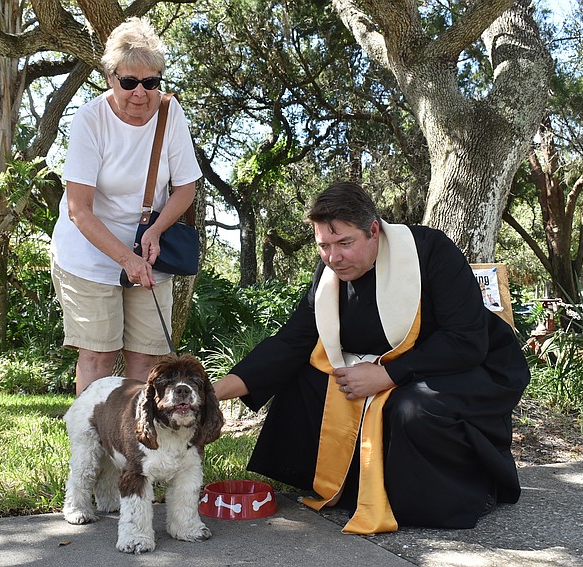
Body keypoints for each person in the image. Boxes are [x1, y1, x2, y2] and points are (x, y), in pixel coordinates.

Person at [214, 181, 531, 534]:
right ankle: (348, 488)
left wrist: (388, 374)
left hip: (465, 367)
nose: (334, 258)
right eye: (324, 246)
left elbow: (465, 339)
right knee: (305, 378)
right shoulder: (329, 275)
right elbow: (291, 343)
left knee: (413, 407)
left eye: (344, 243)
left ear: (374, 230)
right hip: (385, 369)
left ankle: (464, 494)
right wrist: (210, 394)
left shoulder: (430, 252)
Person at [50, 17, 202, 396]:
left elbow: (186, 188)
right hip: (89, 251)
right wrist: (125, 259)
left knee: (147, 357)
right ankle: (91, 433)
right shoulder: (90, 119)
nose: (140, 93)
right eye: (129, 82)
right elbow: (79, 209)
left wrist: (156, 231)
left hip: (149, 252)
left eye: (150, 82)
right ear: (110, 78)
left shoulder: (170, 113)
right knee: (99, 355)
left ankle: (133, 433)